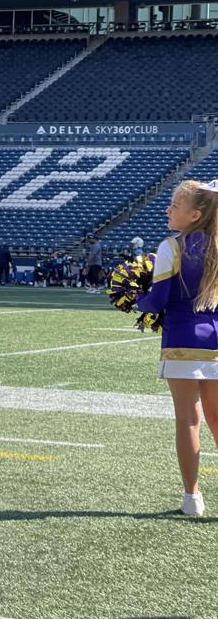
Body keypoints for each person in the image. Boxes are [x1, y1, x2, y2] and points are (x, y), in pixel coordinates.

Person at [136, 180, 218, 518]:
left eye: (175, 205)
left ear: (195, 214)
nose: (167, 209)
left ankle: (192, 498)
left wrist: (136, 299)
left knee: (188, 419)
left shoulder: (172, 247)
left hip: (183, 339)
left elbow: (158, 300)